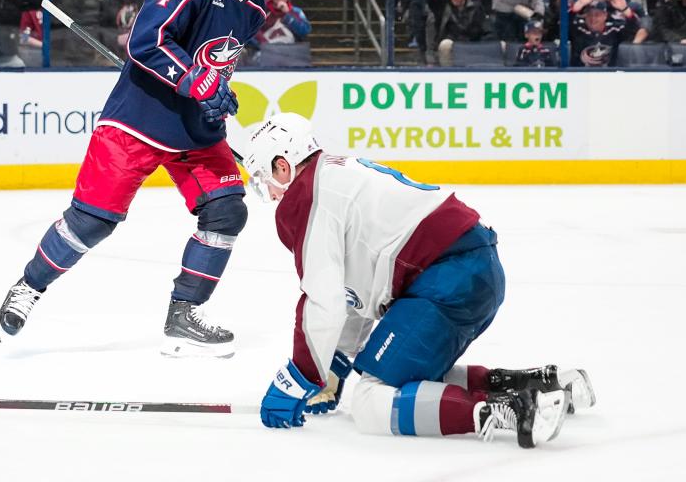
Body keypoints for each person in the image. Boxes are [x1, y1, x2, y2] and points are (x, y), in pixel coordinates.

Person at [0, 0, 283, 357]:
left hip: (193, 130)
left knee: (228, 210)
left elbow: (215, 61)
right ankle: (29, 286)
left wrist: (218, 95)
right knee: (91, 223)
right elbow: (147, 42)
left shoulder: (254, 6)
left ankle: (184, 312)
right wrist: (195, 81)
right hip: (138, 120)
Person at [242, 113, 595, 446]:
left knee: (369, 402)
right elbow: (350, 290)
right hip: (470, 267)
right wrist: (335, 362)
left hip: (448, 278)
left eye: (263, 179)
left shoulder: (306, 197)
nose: (269, 194)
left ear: (283, 165)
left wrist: (300, 378)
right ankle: (537, 384)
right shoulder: (333, 173)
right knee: (406, 377)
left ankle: (510, 410)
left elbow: (323, 299)